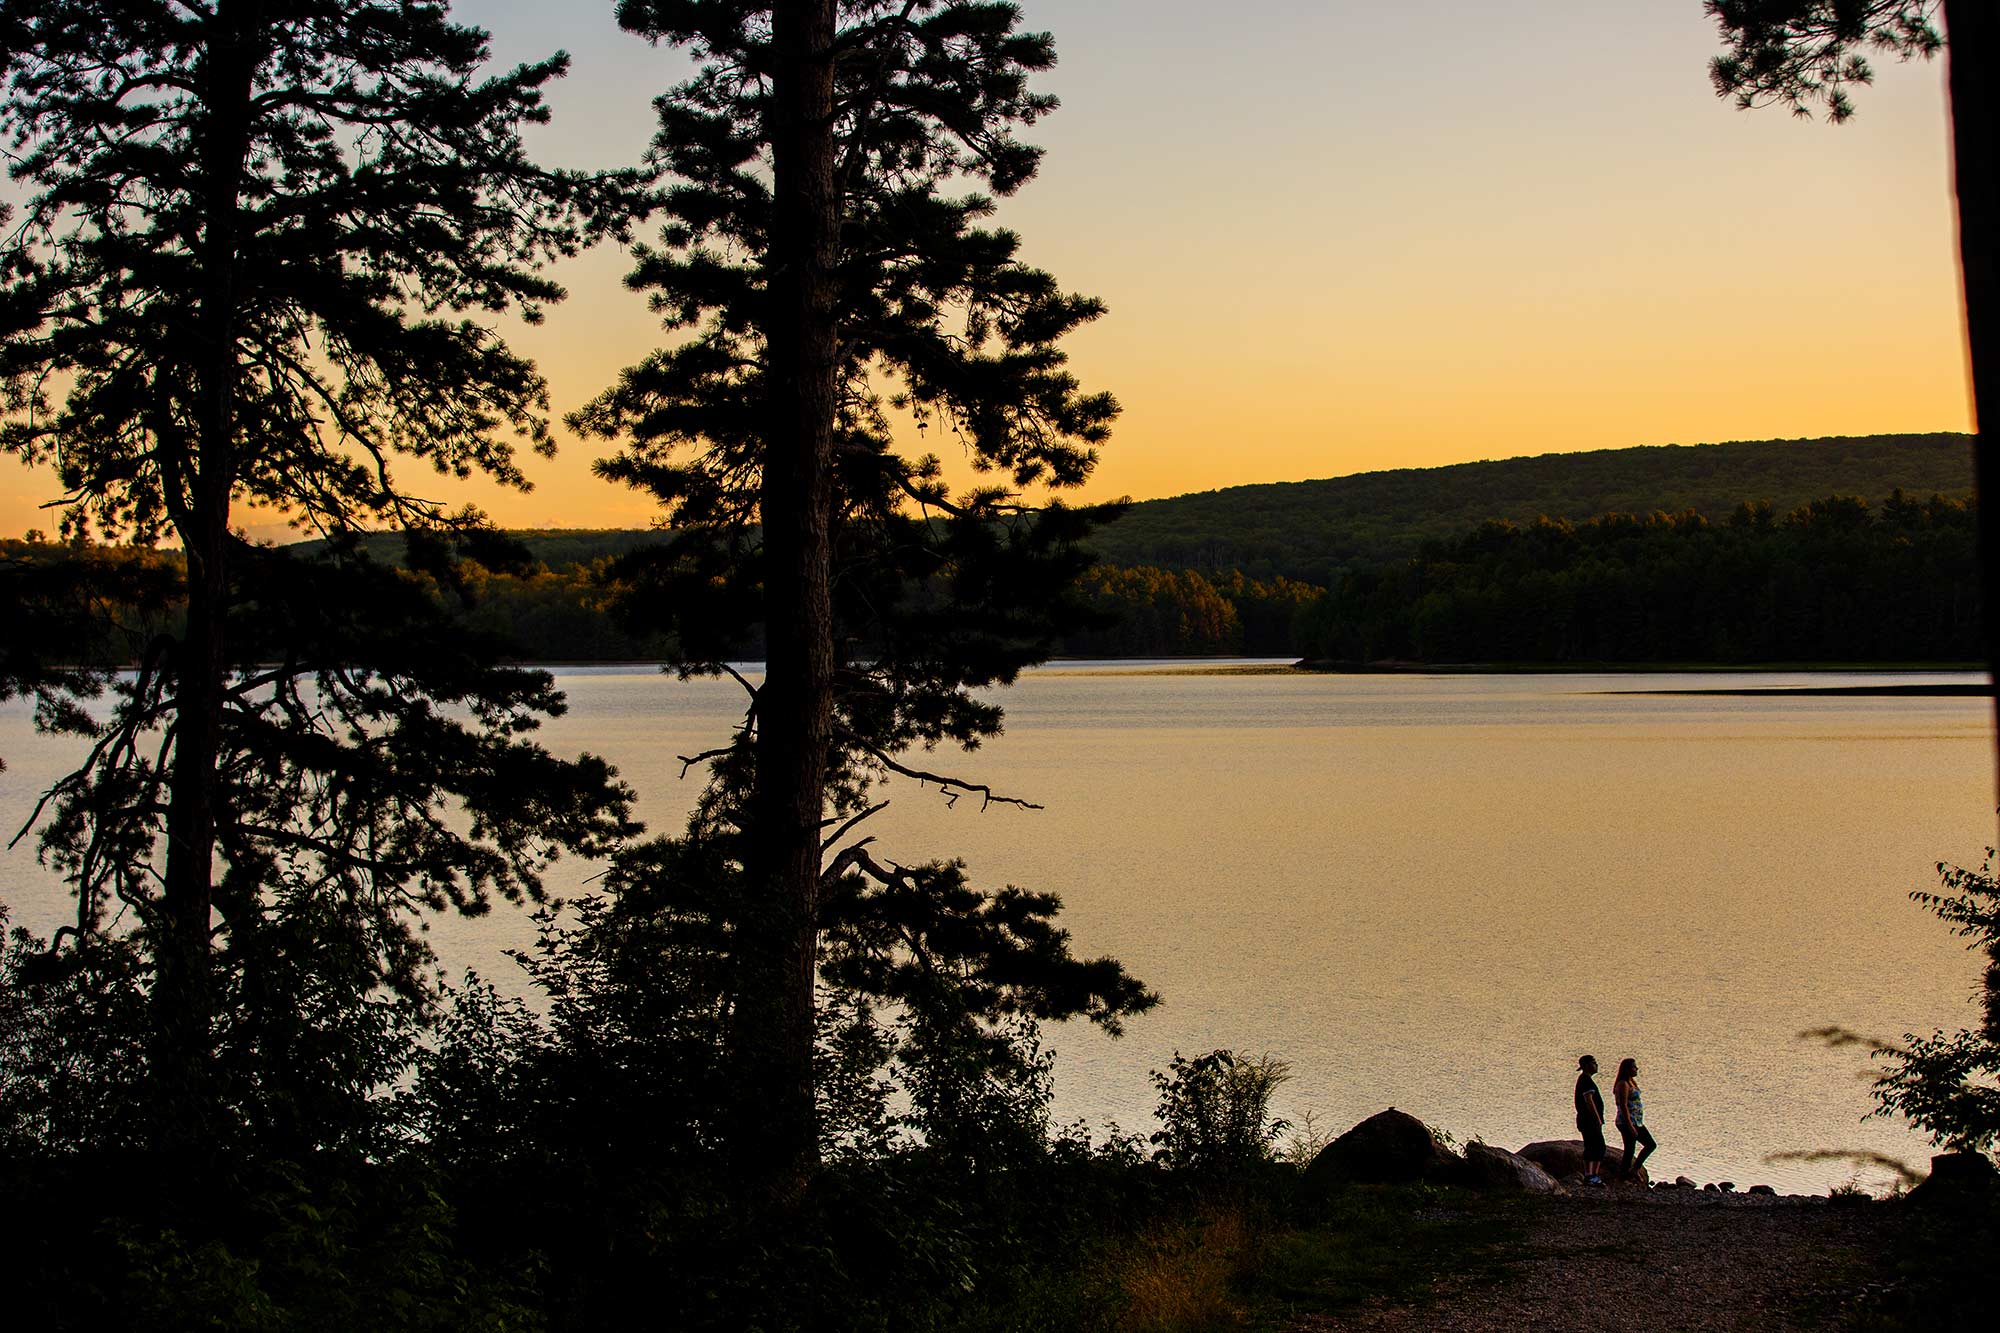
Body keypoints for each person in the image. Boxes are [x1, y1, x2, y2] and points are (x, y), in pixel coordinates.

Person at [1612, 1057, 1657, 1182]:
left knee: (1649, 1145)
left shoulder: (1631, 1082)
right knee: (1630, 1149)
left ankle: (1633, 1170)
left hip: (1637, 1121)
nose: (1636, 1069)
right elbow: (1623, 1105)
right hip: (1627, 1121)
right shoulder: (1623, 1084)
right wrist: (1629, 1124)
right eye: (1634, 1067)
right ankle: (1624, 1175)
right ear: (1627, 1069)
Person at [1574, 1054, 1607, 1186]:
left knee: (1595, 1146)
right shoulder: (1585, 1080)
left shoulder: (1584, 1079)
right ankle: (1591, 1175)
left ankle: (1593, 1175)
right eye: (1594, 1063)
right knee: (1596, 1146)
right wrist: (1597, 1118)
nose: (1596, 1065)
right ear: (1587, 1066)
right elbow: (1589, 1100)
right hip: (1589, 1120)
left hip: (1587, 1119)